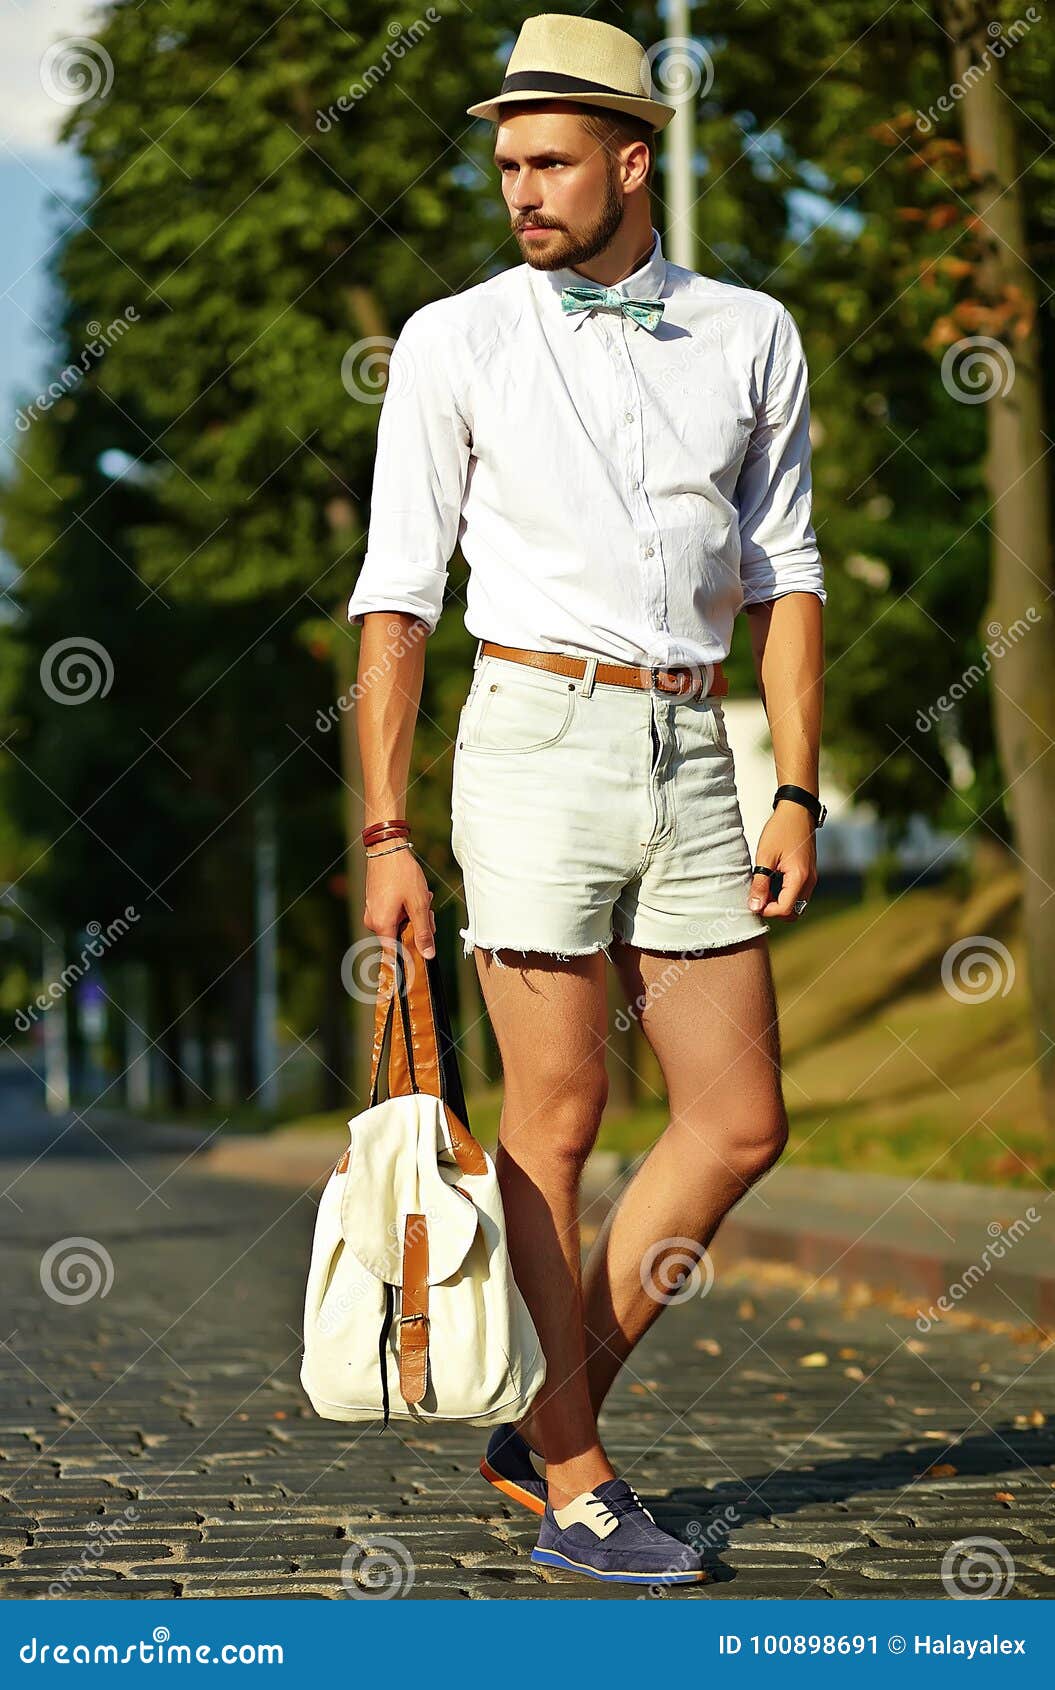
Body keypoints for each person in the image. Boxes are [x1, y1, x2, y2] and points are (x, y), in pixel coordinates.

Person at [346, 13, 826, 1586]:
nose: (523, 193)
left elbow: (789, 575)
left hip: (697, 750)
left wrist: (797, 785)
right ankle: (573, 1478)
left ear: (636, 158)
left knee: (740, 1116)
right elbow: (397, 599)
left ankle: (543, 1407)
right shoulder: (455, 337)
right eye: (505, 167)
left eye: (551, 163)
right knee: (555, 1117)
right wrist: (387, 833)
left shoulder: (753, 332)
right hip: (534, 737)